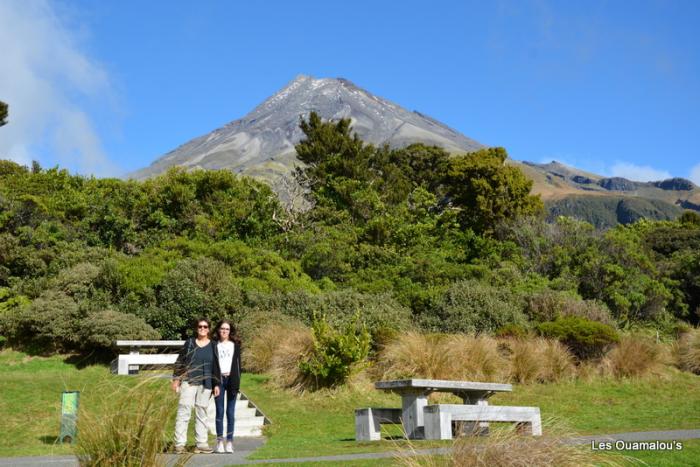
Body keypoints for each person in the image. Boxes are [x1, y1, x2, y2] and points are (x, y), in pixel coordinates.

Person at [172, 317, 220, 454]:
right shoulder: (190, 343)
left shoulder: (214, 345)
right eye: (200, 326)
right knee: (184, 411)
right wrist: (176, 379)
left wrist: (217, 384)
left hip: (206, 383)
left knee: (202, 412)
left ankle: (201, 443)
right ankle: (179, 444)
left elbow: (216, 366)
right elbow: (180, 360)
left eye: (205, 327)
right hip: (189, 380)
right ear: (196, 328)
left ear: (209, 329)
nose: (202, 329)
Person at [213, 319, 242, 454]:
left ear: (230, 331)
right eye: (222, 328)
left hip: (231, 381)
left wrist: (237, 383)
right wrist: (215, 383)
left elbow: (238, 367)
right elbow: (212, 366)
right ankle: (220, 442)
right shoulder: (214, 345)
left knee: (230, 413)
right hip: (219, 381)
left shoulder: (235, 345)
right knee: (219, 411)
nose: (224, 331)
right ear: (219, 330)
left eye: (227, 329)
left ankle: (229, 442)